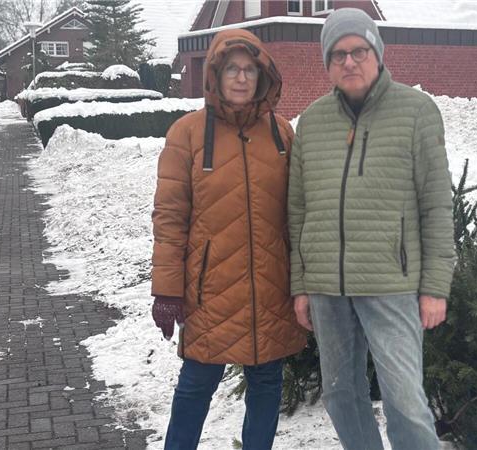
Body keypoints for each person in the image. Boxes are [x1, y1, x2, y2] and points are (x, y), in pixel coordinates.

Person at [288, 8, 456, 450]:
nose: (349, 62)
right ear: (327, 63)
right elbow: (298, 209)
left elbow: (436, 203)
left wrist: (435, 286)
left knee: (404, 399)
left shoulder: (416, 111)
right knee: (341, 394)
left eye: (359, 50)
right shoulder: (312, 121)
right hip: (327, 285)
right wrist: (301, 284)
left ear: (377, 53)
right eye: (338, 54)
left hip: (391, 283)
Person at [151, 29, 306, 450]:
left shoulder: (281, 133)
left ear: (262, 76)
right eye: (232, 69)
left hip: (270, 286)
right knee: (196, 386)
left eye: (250, 69)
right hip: (210, 288)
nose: (241, 78)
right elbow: (169, 219)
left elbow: (299, 213)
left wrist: (305, 281)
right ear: (216, 76)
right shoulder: (185, 134)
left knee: (267, 383)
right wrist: (167, 290)